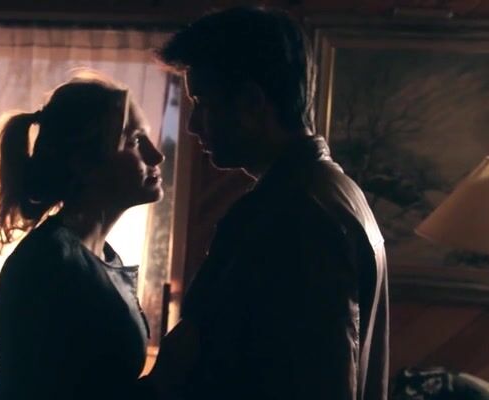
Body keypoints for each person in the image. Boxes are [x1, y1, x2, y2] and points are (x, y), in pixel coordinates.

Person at [149, 7, 389, 400]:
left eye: (203, 103)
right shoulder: (333, 192)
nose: (192, 125)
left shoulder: (293, 213)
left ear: (252, 102)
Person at [0, 72, 164, 400]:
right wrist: (166, 378)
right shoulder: (48, 264)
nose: (157, 156)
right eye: (135, 141)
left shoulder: (100, 257)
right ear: (84, 162)